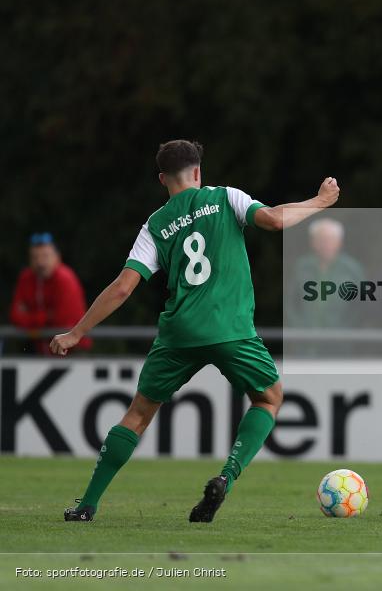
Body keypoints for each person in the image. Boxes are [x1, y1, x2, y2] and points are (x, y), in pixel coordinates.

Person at [50, 139, 340, 523]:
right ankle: (226, 476)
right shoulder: (224, 198)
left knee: (137, 414)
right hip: (230, 328)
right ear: (198, 172)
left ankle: (87, 505)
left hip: (180, 332)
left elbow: (123, 286)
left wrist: (75, 332)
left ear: (162, 179)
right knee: (269, 398)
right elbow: (273, 219)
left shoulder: (154, 225)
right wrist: (318, 202)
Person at [9, 232, 92, 354]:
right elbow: (15, 316)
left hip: (72, 349)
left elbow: (62, 321)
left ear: (57, 257)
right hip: (40, 347)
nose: (40, 263)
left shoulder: (65, 278)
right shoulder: (26, 278)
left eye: (45, 256)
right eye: (35, 257)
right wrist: (46, 317)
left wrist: (31, 317)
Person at [288, 218, 364, 330]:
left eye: (330, 239)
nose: (326, 244)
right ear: (313, 242)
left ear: (339, 242)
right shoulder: (301, 267)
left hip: (340, 342)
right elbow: (290, 302)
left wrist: (345, 331)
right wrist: (298, 327)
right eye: (321, 239)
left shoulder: (352, 269)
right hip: (304, 341)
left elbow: (360, 307)